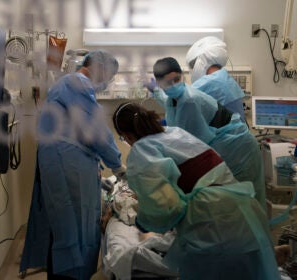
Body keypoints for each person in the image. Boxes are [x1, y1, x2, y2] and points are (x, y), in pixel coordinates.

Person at [112, 102, 280, 280]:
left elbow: (165, 208)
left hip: (210, 220)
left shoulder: (142, 151)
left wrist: (144, 221)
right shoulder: (175, 133)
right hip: (243, 211)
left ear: (127, 135)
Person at [20, 50, 126, 280]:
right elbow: (95, 128)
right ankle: (71, 275)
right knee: (74, 228)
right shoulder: (75, 82)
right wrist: (118, 165)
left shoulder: (70, 85)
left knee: (64, 226)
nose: (107, 83)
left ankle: (66, 272)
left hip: (65, 160)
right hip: (67, 164)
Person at [148, 57, 266, 211]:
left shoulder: (189, 100)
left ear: (182, 75)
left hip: (238, 150)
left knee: (244, 202)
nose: (173, 85)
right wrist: (154, 90)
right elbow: (167, 100)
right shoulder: (175, 97)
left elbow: (190, 147)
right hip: (226, 146)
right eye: (167, 83)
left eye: (176, 79)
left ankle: (252, 234)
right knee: (231, 203)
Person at [186, 36, 246, 122]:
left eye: (192, 66)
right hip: (237, 132)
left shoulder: (209, 83)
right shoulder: (223, 77)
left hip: (224, 134)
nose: (191, 70)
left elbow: (183, 101)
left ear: (202, 61)